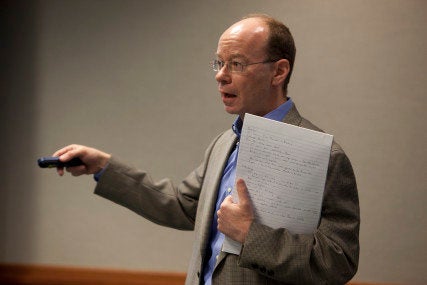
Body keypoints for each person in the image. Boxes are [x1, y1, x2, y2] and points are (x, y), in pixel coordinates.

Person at [53, 14, 359, 285]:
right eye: (219, 62)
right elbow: (184, 206)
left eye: (236, 64)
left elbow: (338, 262)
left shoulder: (324, 156)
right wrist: (104, 167)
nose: (220, 75)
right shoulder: (224, 143)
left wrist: (251, 235)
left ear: (278, 72)